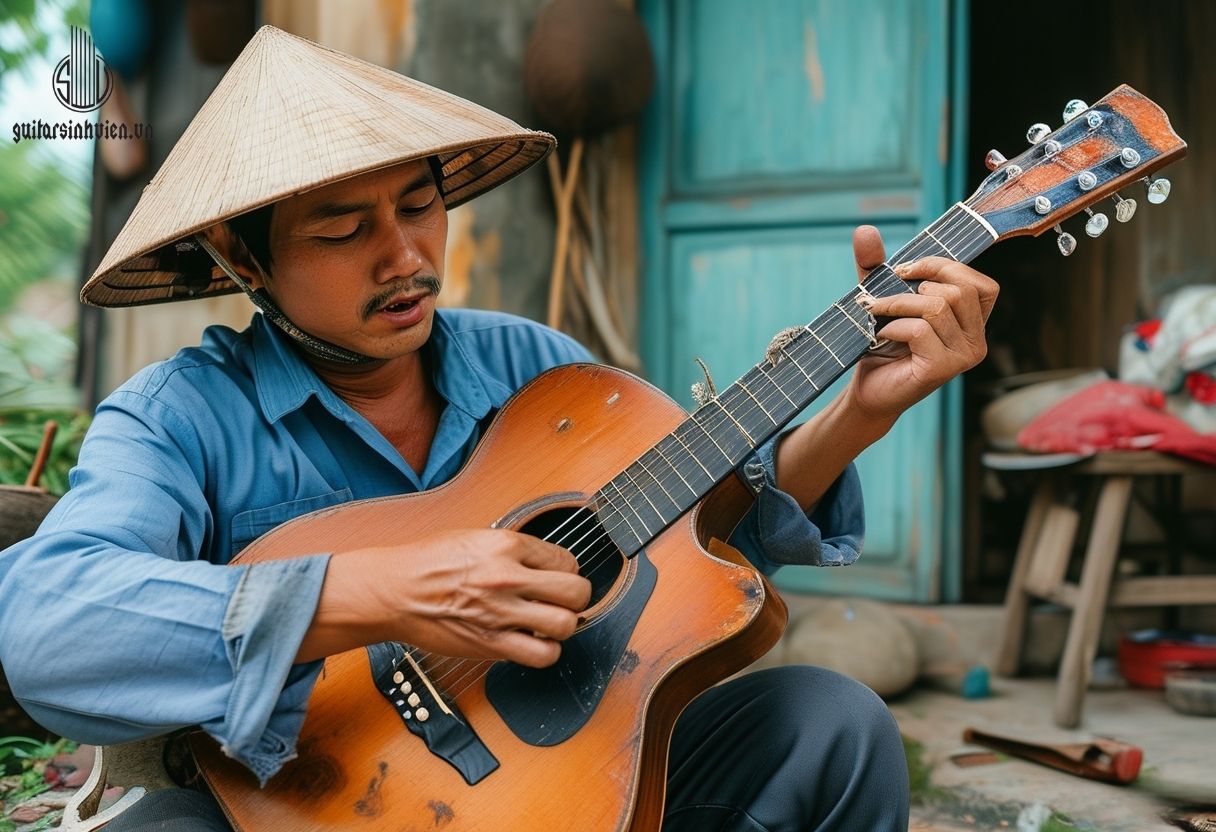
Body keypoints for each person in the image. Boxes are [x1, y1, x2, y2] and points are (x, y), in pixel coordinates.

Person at [0, 26, 996, 832]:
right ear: (242, 257)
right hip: (301, 803)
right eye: (344, 230)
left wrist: (858, 414)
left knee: (829, 724)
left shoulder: (536, 368)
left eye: (420, 203)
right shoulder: (175, 412)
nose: (404, 257)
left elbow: (701, 534)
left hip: (549, 790)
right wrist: (385, 591)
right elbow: (45, 627)